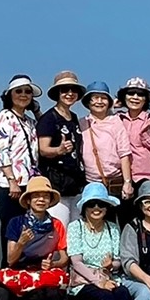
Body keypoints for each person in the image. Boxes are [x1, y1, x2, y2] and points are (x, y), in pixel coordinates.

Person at [0, 175, 73, 300]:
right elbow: (10, 260)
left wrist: (53, 262)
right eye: (36, 196)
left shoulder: (57, 224)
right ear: (28, 200)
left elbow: (64, 257)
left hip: (46, 276)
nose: (41, 199)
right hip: (22, 281)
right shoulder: (16, 223)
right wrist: (21, 243)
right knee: (37, 294)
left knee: (55, 293)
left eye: (45, 196)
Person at [66, 182, 135, 300]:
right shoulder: (75, 227)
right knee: (105, 297)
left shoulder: (112, 228)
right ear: (84, 208)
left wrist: (111, 265)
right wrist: (98, 281)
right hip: (82, 282)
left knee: (122, 294)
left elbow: (118, 260)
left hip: (108, 278)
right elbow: (76, 262)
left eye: (101, 204)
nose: (96, 208)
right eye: (91, 204)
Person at [0, 74, 41, 239]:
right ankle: (7, 256)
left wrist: (36, 109)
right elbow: (1, 151)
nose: (23, 95)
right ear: (10, 95)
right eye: (18, 91)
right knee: (11, 226)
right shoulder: (5, 117)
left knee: (26, 226)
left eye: (27, 91)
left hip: (28, 181)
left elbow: (44, 127)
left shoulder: (30, 121)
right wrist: (12, 181)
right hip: (10, 184)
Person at [38, 72, 86, 224]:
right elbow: (43, 149)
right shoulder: (49, 119)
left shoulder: (74, 117)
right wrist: (59, 150)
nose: (70, 93)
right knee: (59, 228)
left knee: (75, 229)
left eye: (73, 90)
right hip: (57, 185)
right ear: (57, 93)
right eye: (65, 89)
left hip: (75, 184)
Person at [116, 78, 150, 221]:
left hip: (147, 178)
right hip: (123, 179)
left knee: (149, 220)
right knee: (125, 222)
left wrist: (146, 136)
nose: (135, 97)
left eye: (140, 94)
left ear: (146, 99)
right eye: (131, 93)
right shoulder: (118, 119)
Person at [79, 81, 134, 203]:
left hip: (114, 182)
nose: (99, 101)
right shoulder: (81, 123)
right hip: (90, 183)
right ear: (88, 102)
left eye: (103, 98)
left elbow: (124, 153)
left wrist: (127, 182)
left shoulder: (116, 122)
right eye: (95, 98)